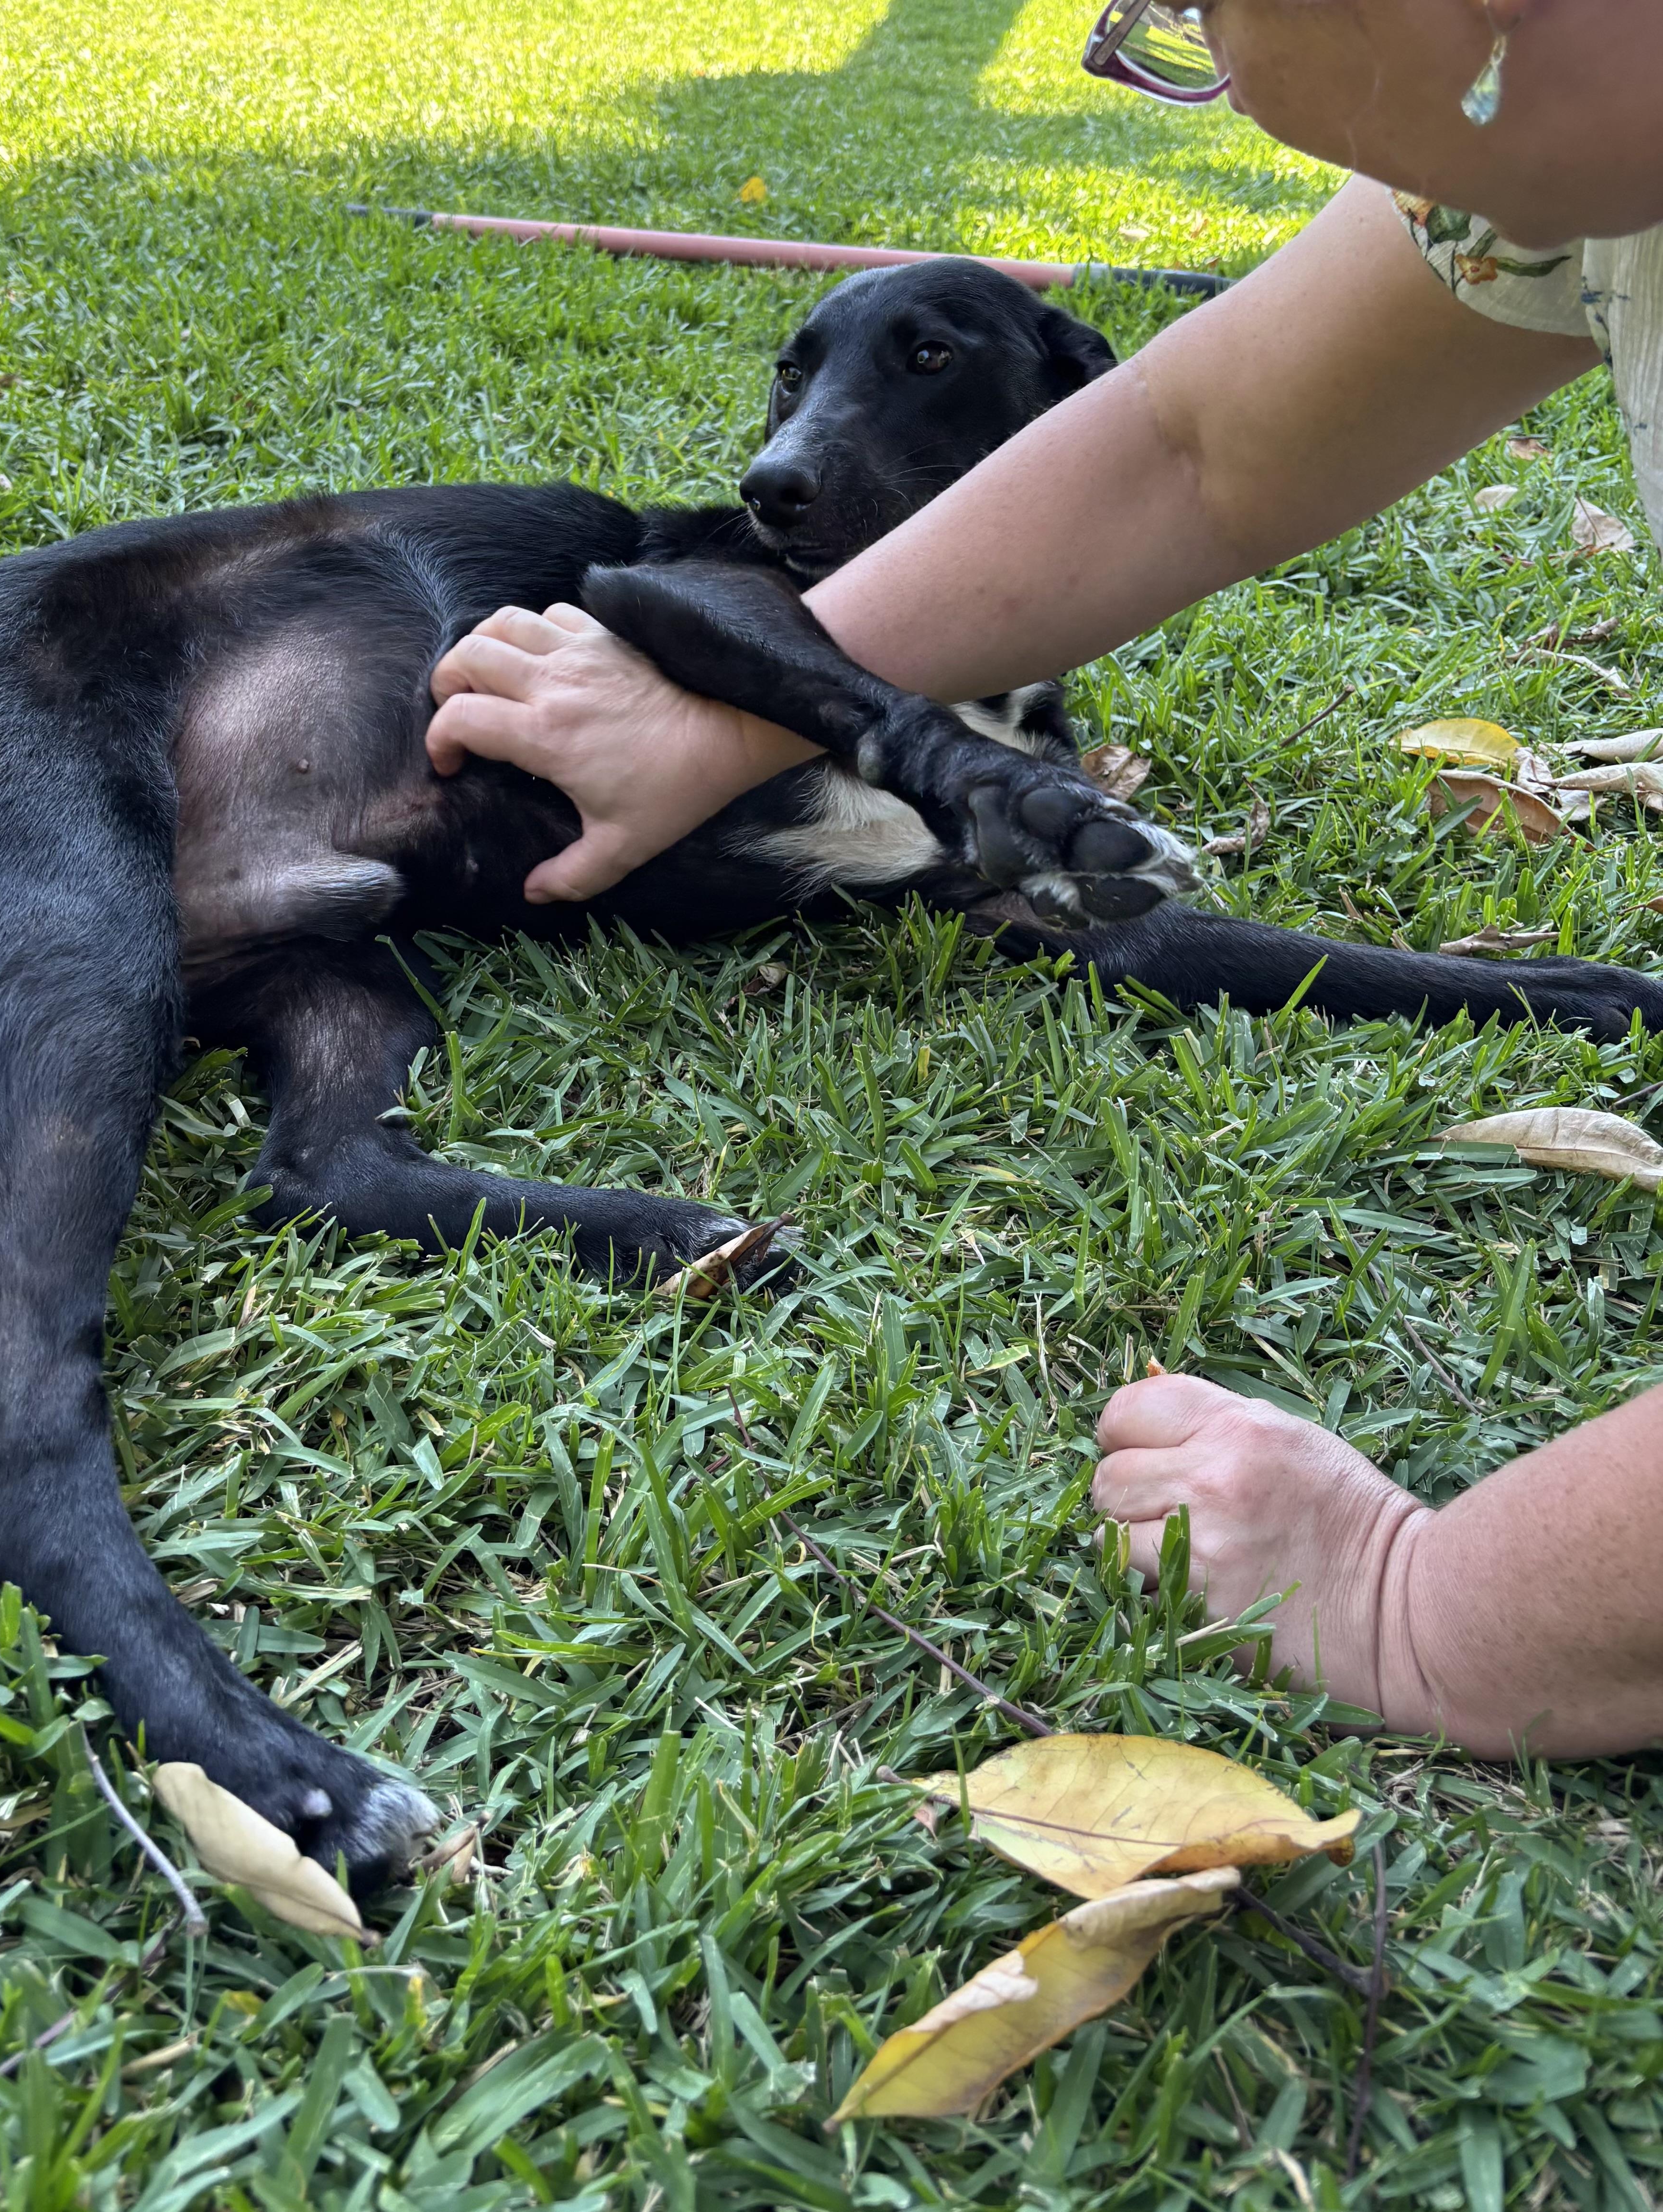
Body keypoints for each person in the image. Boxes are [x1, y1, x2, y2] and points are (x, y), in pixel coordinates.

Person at [423, 0, 1663, 1759]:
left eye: (1177, 9)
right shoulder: (1563, 172)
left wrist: (1422, 1602)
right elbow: (1194, 447)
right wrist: (771, 711)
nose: (1193, 62)